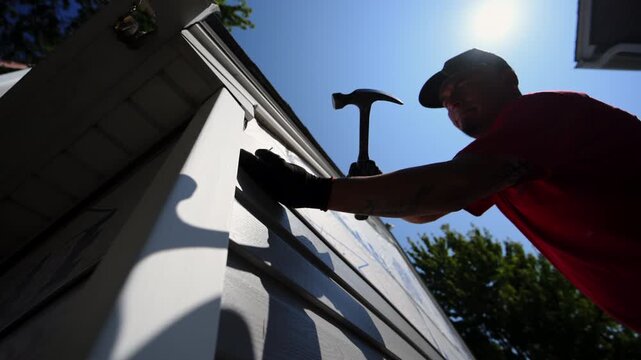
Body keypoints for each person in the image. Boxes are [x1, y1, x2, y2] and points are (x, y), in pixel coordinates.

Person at [240, 48, 641, 333]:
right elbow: (427, 210)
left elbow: (449, 187)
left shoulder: (542, 113)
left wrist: (316, 191)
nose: (455, 104)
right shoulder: (510, 166)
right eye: (447, 101)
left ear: (507, 78)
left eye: (463, 86)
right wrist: (373, 186)